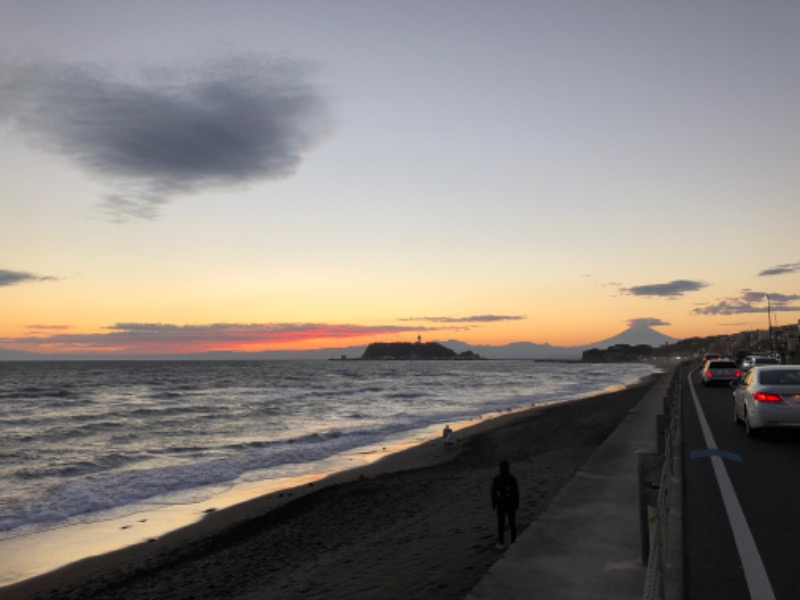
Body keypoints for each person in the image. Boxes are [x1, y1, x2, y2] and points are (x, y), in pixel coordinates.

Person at [491, 460, 519, 549]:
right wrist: (517, 504)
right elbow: (516, 493)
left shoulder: (497, 479)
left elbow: (493, 492)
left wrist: (493, 503)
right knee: (512, 522)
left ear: (500, 468)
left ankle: (501, 543)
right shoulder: (512, 478)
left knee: (501, 523)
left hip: (500, 503)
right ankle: (513, 541)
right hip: (511, 503)